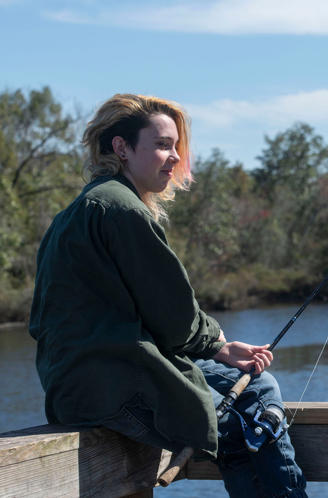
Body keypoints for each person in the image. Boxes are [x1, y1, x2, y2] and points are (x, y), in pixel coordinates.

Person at [28, 94, 307, 498]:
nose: (175, 157)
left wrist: (219, 347)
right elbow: (175, 317)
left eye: (175, 146)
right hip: (112, 388)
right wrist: (215, 344)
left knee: (253, 393)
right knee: (254, 409)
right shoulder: (121, 210)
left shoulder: (75, 213)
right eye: (162, 145)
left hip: (74, 388)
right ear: (120, 147)